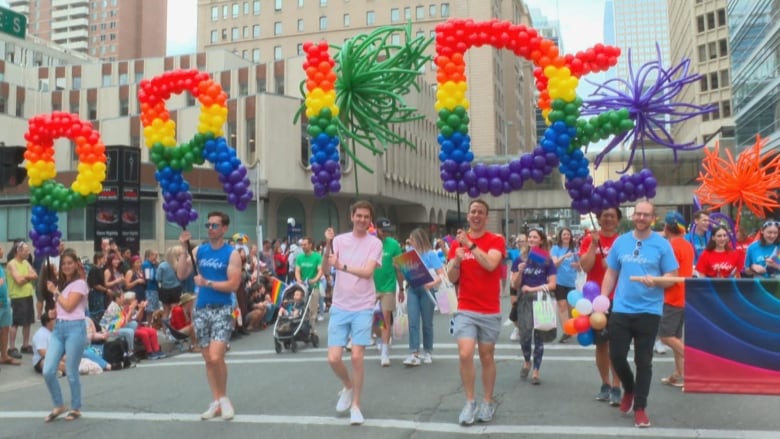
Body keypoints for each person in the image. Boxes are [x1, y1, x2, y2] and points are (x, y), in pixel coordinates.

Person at [599, 201, 679, 429]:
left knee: (643, 361)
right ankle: (630, 389)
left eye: (646, 214)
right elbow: (611, 272)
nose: (641, 217)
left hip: (649, 310)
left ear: (653, 218)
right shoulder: (621, 241)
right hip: (622, 308)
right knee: (616, 356)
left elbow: (672, 276)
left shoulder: (662, 245)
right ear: (633, 216)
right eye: (638, 214)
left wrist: (657, 281)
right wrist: (604, 300)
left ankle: (640, 407)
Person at [321, 200, 383, 426]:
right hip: (339, 305)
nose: (362, 220)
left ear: (370, 220)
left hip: (364, 306)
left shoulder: (375, 243)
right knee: (333, 358)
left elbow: (367, 273)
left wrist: (342, 266)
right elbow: (325, 269)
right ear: (352, 216)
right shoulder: (338, 240)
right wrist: (327, 245)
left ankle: (356, 405)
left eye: (366, 217)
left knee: (357, 357)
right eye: (359, 216)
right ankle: (348, 386)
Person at [177, 211, 242, 421]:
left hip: (222, 307)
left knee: (216, 356)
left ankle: (224, 399)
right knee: (207, 359)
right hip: (202, 308)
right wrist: (183, 250)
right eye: (208, 225)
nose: (210, 229)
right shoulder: (199, 251)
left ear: (224, 229)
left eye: (214, 225)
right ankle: (215, 400)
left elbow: (234, 284)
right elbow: (181, 273)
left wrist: (208, 283)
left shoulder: (231, 254)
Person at [446, 199, 505, 426]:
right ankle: (470, 401)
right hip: (466, 308)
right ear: (468, 216)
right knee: (465, 353)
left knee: (487, 356)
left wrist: (470, 246)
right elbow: (451, 278)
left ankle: (487, 401)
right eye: (473, 212)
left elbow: (491, 264)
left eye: (480, 212)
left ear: (486, 216)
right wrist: (457, 261)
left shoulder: (495, 240)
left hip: (489, 309)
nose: (476, 215)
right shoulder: (456, 245)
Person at [579, 207, 622, 406]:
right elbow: (585, 266)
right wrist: (593, 246)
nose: (608, 219)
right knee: (601, 345)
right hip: (595, 300)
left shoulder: (623, 241)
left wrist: (613, 266)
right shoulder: (589, 239)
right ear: (598, 218)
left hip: (619, 298)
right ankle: (605, 384)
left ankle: (617, 385)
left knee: (617, 346)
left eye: (612, 216)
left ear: (618, 221)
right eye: (605, 216)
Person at [43, 249, 89, 422]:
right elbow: (62, 307)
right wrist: (53, 312)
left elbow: (70, 306)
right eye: (64, 263)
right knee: (48, 370)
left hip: (75, 328)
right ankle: (59, 404)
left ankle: (75, 407)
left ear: (76, 264)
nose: (67, 266)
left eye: (70, 263)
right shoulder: (62, 285)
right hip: (59, 328)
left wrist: (55, 292)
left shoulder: (81, 284)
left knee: (70, 371)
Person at [511, 229, 556, 385]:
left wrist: (533, 289)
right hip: (524, 301)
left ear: (541, 241)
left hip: (541, 299)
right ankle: (527, 361)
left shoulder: (546, 259)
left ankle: (536, 370)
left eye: (535, 237)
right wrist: (520, 273)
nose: (531, 239)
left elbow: (552, 284)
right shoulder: (520, 259)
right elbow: (514, 284)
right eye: (529, 236)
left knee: (539, 337)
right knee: (524, 335)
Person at [658, 212, 694, 388]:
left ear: (666, 227)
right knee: (675, 337)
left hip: (673, 297)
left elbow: (672, 276)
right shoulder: (687, 245)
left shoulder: (670, 247)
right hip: (684, 295)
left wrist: (654, 281)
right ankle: (679, 374)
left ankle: (694, 364)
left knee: (666, 336)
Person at [403, 227, 444, 367]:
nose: (410, 241)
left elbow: (441, 274)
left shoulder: (431, 254)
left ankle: (428, 351)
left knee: (427, 322)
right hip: (413, 289)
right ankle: (414, 352)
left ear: (417, 240)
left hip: (428, 290)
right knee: (413, 321)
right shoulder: (409, 253)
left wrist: (432, 283)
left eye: (412, 239)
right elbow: (406, 272)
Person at [372, 217, 404, 367]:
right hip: (371, 288)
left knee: (385, 319)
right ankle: (380, 338)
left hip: (388, 287)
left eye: (387, 231)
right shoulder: (369, 243)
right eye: (382, 230)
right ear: (376, 229)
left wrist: (401, 288)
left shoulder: (394, 245)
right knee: (375, 319)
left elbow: (399, 268)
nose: (385, 233)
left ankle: (385, 352)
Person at [7, 241, 38, 360]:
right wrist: (28, 277)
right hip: (17, 297)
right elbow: (18, 281)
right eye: (25, 250)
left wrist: (24, 277)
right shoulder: (12, 264)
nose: (28, 252)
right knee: (15, 323)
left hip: (28, 295)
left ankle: (25, 345)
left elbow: (35, 275)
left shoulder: (25, 262)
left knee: (28, 322)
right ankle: (11, 348)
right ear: (18, 251)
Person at [550, 228, 579, 342]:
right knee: (562, 305)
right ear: (560, 237)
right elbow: (555, 264)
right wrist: (564, 257)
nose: (566, 236)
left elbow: (579, 265)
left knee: (571, 308)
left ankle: (571, 328)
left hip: (571, 281)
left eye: (568, 234)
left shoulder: (574, 249)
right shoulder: (555, 249)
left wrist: (576, 265)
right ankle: (565, 331)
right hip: (559, 281)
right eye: (564, 234)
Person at [294, 236, 323, 332]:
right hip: (303, 287)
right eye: (302, 245)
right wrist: (298, 280)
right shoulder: (299, 258)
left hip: (314, 286)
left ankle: (312, 330)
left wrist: (315, 280)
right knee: (300, 307)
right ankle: (300, 328)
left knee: (312, 310)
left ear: (310, 245)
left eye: (305, 244)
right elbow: (297, 270)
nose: (303, 246)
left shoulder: (317, 257)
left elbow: (320, 271)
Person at [0, 244, 22, 366]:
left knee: (5, 329)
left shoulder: (1, 268)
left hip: (4, 304)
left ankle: (3, 355)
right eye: (0, 249)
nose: (2, 251)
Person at [157, 245, 184, 318]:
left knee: (165, 311)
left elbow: (158, 278)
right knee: (174, 310)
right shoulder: (177, 265)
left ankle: (164, 329)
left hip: (165, 290)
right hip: (176, 289)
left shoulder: (162, 265)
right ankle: (173, 327)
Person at [86, 252, 109, 322]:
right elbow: (95, 285)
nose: (105, 260)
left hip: (100, 294)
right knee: (96, 313)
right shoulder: (94, 270)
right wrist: (106, 290)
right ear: (98, 259)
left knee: (101, 312)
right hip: (95, 295)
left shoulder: (100, 269)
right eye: (103, 258)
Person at [142, 249, 160, 319]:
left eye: (156, 255)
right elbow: (148, 277)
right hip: (150, 289)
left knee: (154, 309)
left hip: (154, 288)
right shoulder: (147, 264)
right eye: (153, 255)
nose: (155, 257)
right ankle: (148, 324)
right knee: (150, 309)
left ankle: (150, 324)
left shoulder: (153, 265)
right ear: (149, 255)